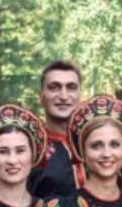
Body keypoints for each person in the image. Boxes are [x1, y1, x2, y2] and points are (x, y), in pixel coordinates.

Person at [32, 60, 86, 199]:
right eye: (54, 88)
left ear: (80, 95)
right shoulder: (30, 149)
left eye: (71, 88)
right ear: (40, 96)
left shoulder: (96, 144)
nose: (63, 96)